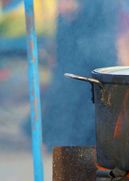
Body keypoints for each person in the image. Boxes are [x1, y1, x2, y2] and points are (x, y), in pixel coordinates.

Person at [39, 0, 119, 149]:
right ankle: (64, 143)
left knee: (94, 94)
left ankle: (87, 142)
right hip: (72, 48)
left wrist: (76, 8)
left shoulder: (100, 11)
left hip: (95, 48)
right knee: (67, 91)